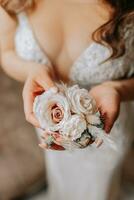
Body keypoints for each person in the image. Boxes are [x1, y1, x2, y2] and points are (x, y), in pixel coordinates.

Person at [0, 0, 134, 199]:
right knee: (62, 181)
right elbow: (6, 52)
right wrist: (31, 70)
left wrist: (117, 89)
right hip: (48, 126)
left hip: (106, 132)